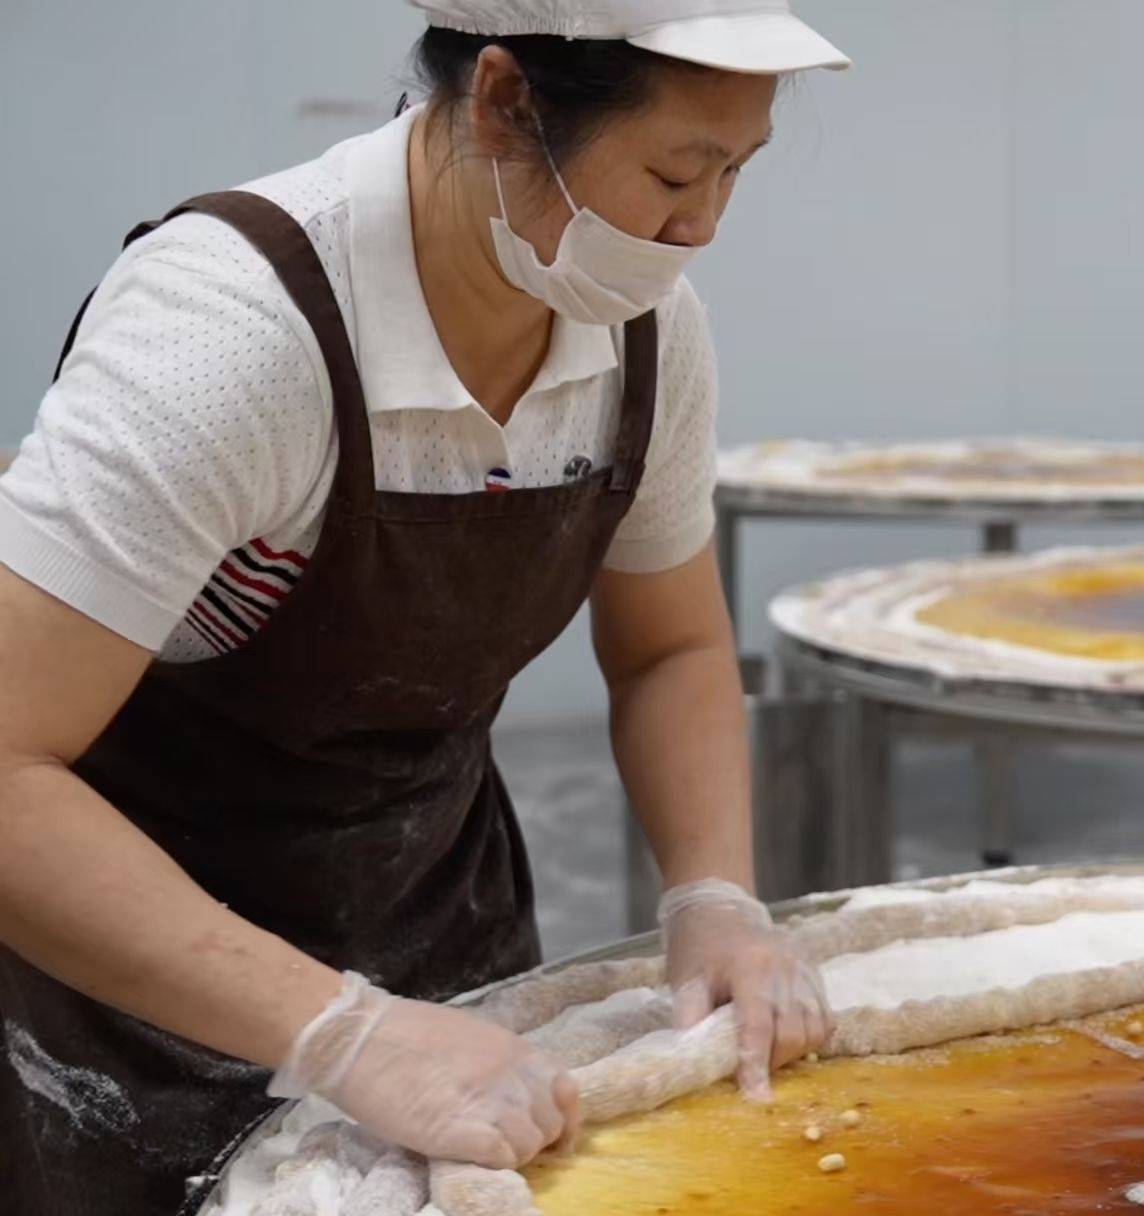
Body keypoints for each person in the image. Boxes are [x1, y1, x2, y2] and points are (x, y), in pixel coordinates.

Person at [0, 2, 848, 1209]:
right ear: (503, 102)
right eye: (674, 172)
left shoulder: (643, 335)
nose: (702, 225)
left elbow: (668, 649)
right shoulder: (236, 335)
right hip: (126, 981)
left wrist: (712, 896)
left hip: (437, 917)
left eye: (736, 172)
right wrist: (341, 1033)